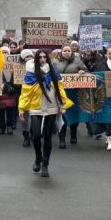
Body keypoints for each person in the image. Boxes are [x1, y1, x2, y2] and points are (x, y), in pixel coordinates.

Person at [18, 50, 73, 178]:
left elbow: (60, 88)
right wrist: (22, 108)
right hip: (35, 107)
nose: (42, 59)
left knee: (48, 136)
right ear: (36, 59)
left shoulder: (53, 71)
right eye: (40, 57)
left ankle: (45, 164)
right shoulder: (31, 73)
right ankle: (38, 157)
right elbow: (26, 92)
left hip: (51, 106)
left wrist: (62, 104)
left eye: (44, 57)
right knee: (36, 135)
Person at [52, 43, 88, 148]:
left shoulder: (77, 61)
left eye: (68, 51)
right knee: (61, 116)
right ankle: (62, 139)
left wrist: (82, 72)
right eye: (65, 51)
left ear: (71, 52)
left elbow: (87, 72)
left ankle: (73, 133)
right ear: (61, 52)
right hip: (60, 93)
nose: (67, 53)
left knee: (73, 115)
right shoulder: (55, 62)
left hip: (74, 93)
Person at [17, 49, 35, 147]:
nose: (29, 58)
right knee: (24, 116)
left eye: (30, 56)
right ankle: (26, 137)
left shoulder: (38, 66)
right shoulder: (18, 68)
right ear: (23, 59)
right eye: (26, 57)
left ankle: (33, 132)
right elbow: (13, 81)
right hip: (23, 95)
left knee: (34, 116)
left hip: (35, 95)